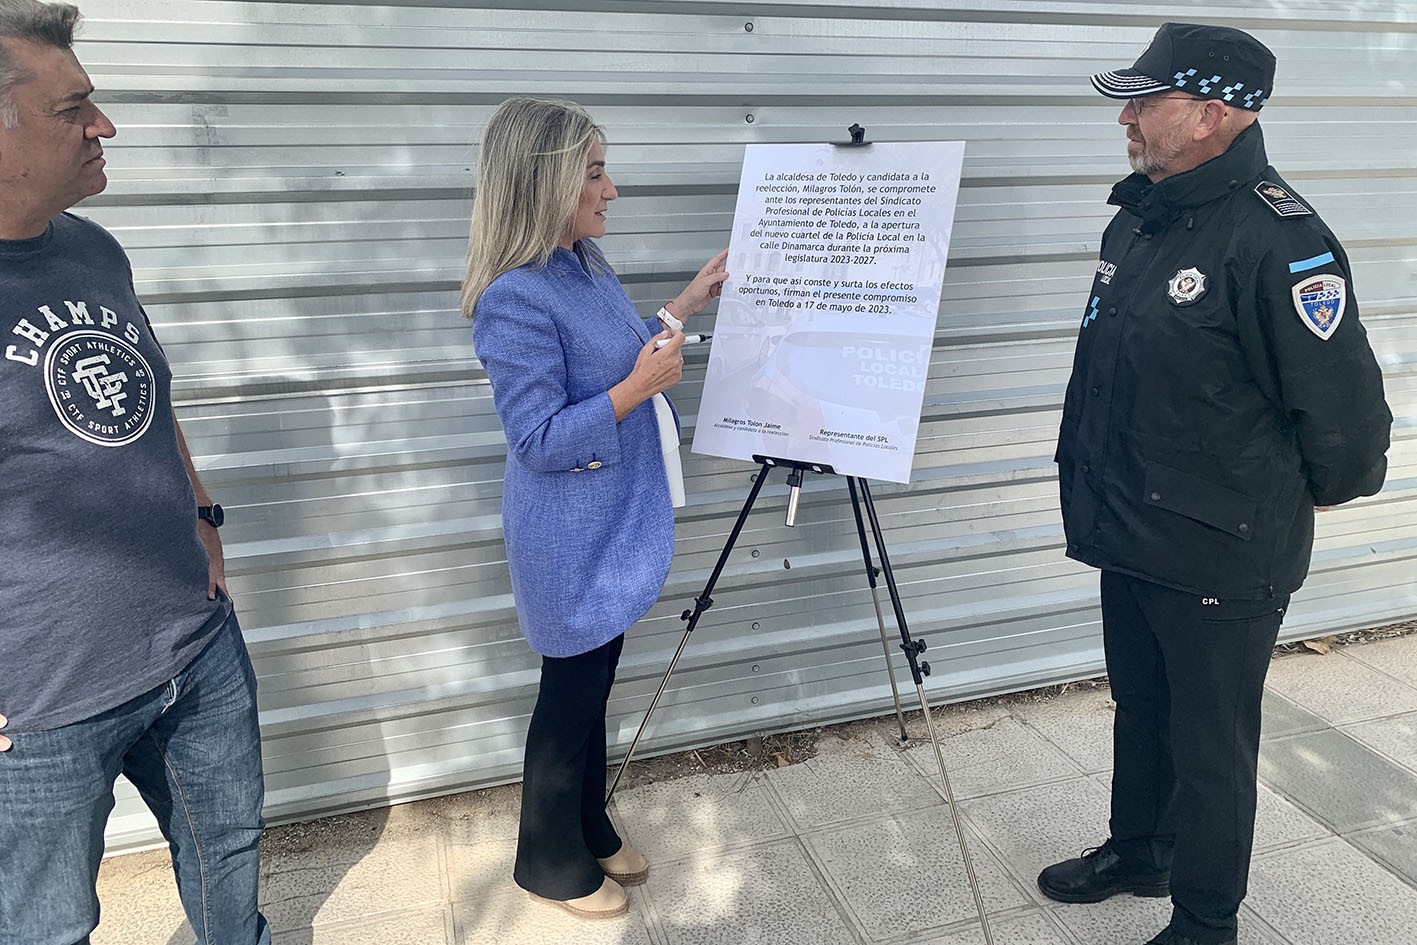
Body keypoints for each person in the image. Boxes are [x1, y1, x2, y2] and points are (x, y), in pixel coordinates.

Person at [1044, 22, 1392, 945]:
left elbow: (1346, 415)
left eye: (1144, 101)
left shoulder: (1279, 240)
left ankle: (1205, 917)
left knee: (1210, 744)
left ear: (1211, 114)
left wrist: (1305, 493)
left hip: (1222, 545)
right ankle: (1140, 850)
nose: (1127, 119)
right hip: (1134, 527)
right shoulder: (1141, 217)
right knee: (1142, 708)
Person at [0, 2, 270, 942]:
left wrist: (202, 512)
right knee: (45, 927)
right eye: (74, 108)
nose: (103, 126)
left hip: (192, 649)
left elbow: (152, 390)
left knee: (230, 874)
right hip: (37, 710)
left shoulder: (91, 248)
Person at [461, 96, 729, 921]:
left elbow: (613, 355)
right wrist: (631, 393)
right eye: (596, 172)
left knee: (596, 682)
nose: (610, 190)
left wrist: (684, 305)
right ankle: (545, 858)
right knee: (570, 693)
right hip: (568, 539)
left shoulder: (583, 264)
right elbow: (537, 436)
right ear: (546, 183)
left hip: (607, 522)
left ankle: (585, 821)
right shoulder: (515, 296)